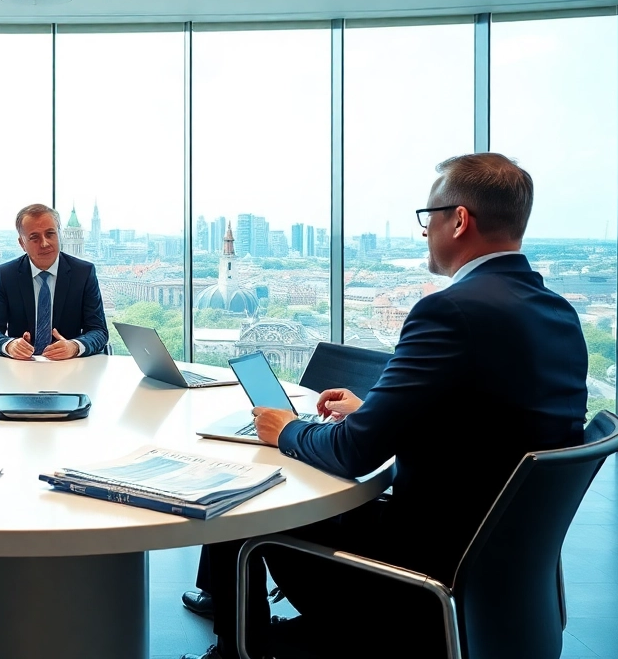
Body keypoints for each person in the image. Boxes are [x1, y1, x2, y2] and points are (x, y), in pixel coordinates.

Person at [183, 153, 589, 659]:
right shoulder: (557, 312)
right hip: (496, 568)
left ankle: (241, 646)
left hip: (417, 572)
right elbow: (490, 424)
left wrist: (286, 428)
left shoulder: (450, 309)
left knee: (241, 504)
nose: (425, 232)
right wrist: (374, 411)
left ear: (459, 220)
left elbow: (354, 455)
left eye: (429, 217)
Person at [0, 203, 109, 359]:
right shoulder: (7, 274)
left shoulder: (83, 273)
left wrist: (74, 346)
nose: (45, 243)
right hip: (21, 369)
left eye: (50, 234)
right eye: (34, 238)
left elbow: (98, 331)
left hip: (69, 369)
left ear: (59, 235)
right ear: (22, 243)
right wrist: (9, 345)